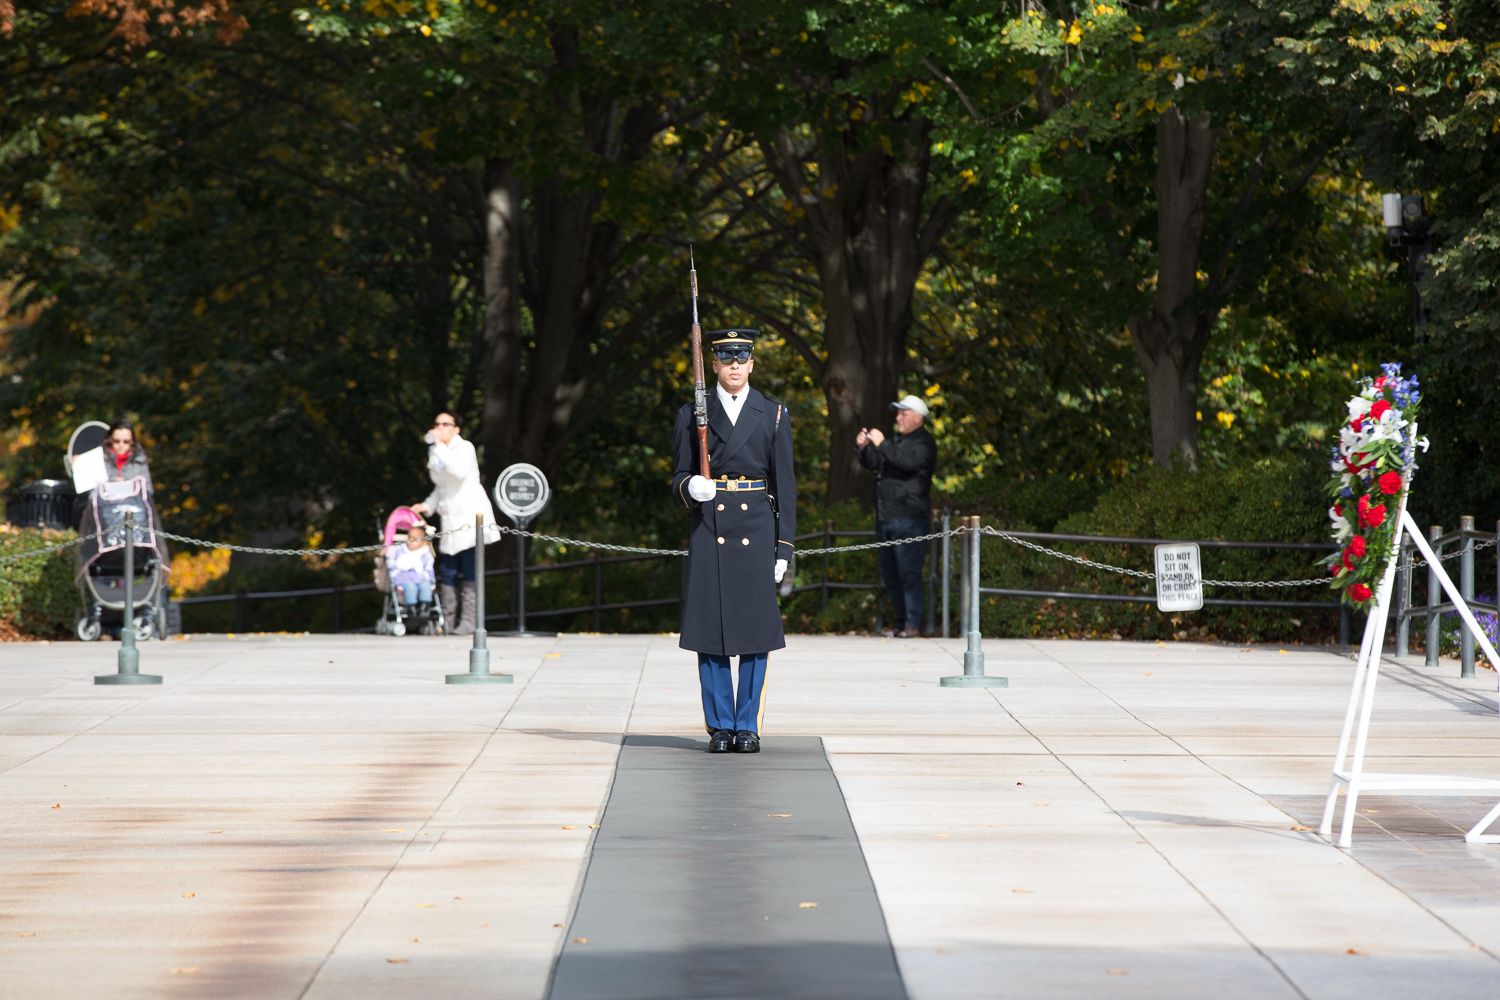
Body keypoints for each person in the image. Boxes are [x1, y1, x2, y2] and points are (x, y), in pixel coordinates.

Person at [672, 328, 796, 754]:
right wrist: (691, 487)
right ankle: (720, 725)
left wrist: (785, 549)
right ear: (716, 364)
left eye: (742, 358)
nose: (735, 366)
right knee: (711, 633)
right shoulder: (692, 415)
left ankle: (748, 725)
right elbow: (676, 478)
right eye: (727, 358)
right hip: (710, 526)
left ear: (752, 363)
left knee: (755, 634)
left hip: (757, 528)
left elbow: (786, 487)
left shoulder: (774, 413)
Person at [410, 413, 500, 635]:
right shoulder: (436, 450)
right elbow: (442, 486)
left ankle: (469, 621)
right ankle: (447, 620)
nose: (439, 427)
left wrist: (439, 446)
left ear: (456, 429)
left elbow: (458, 473)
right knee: (448, 571)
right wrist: (426, 505)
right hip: (449, 521)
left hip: (470, 520)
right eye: (436, 423)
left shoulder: (465, 448)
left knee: (470, 570)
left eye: (445, 424)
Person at [856, 394, 936, 638]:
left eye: (903, 414)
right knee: (890, 574)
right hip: (886, 518)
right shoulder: (894, 441)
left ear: (918, 418)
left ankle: (913, 624)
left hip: (910, 519)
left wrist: (881, 444)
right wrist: (863, 448)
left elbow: (906, 462)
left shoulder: (924, 443)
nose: (898, 418)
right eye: (898, 413)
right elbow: (874, 463)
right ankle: (902, 623)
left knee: (909, 573)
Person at [386, 522, 436, 622]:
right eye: (409, 537)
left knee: (426, 586)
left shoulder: (425, 553)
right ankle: (411, 610)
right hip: (405, 578)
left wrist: (429, 579)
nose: (410, 541)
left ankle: (424, 609)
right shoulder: (399, 550)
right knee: (410, 587)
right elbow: (392, 564)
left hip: (421, 578)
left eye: (414, 539)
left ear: (423, 542)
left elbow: (429, 568)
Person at [102, 419, 153, 496]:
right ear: (110, 439)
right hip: (104, 505)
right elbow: (91, 491)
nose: (121, 444)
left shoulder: (139, 459)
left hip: (132, 505)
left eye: (126, 441)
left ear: (132, 441)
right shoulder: (98, 459)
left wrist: (126, 485)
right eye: (117, 441)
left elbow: (148, 490)